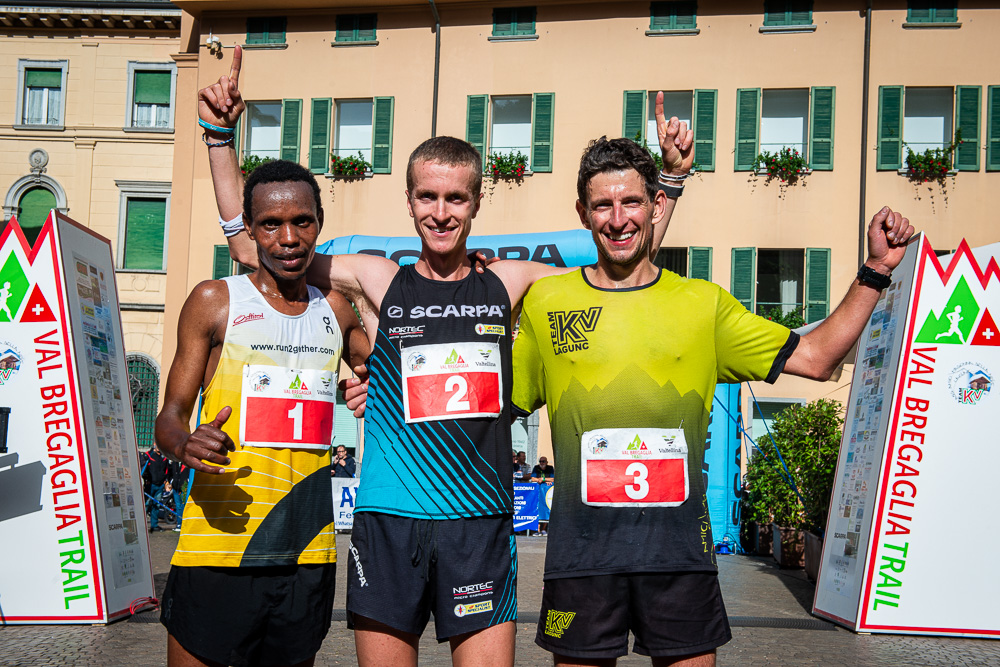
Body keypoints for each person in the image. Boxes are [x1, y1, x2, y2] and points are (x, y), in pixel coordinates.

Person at [197, 46, 693, 665]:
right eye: (428, 197)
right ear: (409, 201)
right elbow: (258, 248)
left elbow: (624, 266)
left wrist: (669, 182)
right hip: (387, 523)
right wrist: (219, 135)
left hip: (478, 524)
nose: (440, 212)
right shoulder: (378, 281)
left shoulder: (509, 284)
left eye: (455, 198)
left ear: (476, 203)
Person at [511, 136, 914, 666]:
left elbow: (816, 357)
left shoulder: (704, 305)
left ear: (655, 205)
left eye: (631, 202)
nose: (618, 219)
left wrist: (876, 270)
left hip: (679, 555)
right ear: (583, 212)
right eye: (603, 205)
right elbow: (493, 412)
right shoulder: (547, 303)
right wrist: (377, 391)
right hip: (583, 557)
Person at [153, 159, 369, 667]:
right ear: (250, 229)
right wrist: (183, 444)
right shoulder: (215, 301)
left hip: (307, 552)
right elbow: (169, 416)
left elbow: (383, 375)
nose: (289, 238)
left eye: (303, 221)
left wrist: (364, 391)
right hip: (219, 547)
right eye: (271, 224)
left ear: (319, 224)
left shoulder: (336, 310)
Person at [142, 443, 169, 533]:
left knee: (156, 505)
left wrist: (165, 480)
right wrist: (146, 479)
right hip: (150, 485)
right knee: (146, 504)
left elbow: (167, 469)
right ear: (154, 445)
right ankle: (142, 525)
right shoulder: (148, 456)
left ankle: (154, 525)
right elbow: (143, 468)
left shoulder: (164, 457)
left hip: (160, 485)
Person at [167, 460, 188, 532]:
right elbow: (170, 473)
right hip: (176, 487)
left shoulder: (188, 464)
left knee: (183, 506)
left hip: (184, 488)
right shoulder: (174, 463)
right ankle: (179, 523)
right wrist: (169, 483)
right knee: (178, 506)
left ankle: (185, 524)